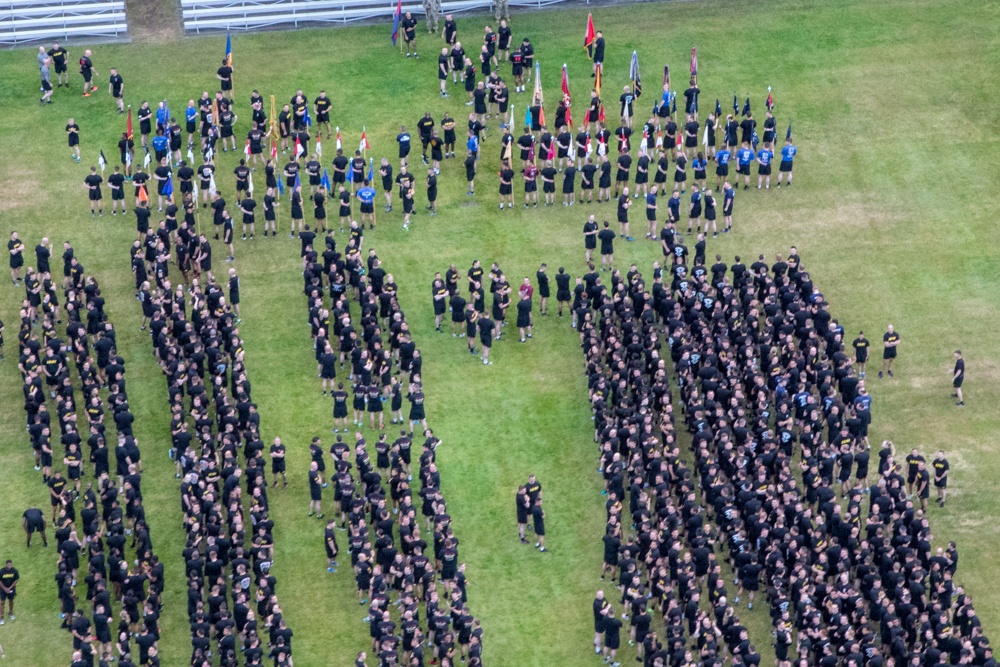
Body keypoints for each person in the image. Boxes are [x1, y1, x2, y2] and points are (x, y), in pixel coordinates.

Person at [0, 560, 18, 624]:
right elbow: (0, 581)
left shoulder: (14, 571)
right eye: (9, 565)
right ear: (6, 565)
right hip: (2, 589)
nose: (10, 566)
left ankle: (10, 613)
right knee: (2, 602)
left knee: (11, 601)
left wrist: (9, 588)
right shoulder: (1, 571)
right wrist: (5, 588)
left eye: (11, 565)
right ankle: (1, 618)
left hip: (11, 589)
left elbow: (16, 580)